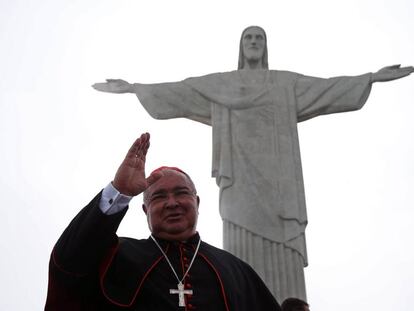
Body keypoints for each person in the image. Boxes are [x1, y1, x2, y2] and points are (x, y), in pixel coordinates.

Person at [92, 26, 414, 301]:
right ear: (241, 47)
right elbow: (183, 90)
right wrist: (135, 88)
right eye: (249, 38)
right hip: (239, 182)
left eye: (259, 37)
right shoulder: (222, 85)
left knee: (284, 254)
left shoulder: (284, 83)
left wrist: (371, 78)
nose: (254, 42)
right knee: (239, 257)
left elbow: (326, 88)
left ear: (266, 46)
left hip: (280, 181)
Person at [45, 132, 282, 310]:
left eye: (181, 193)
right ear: (145, 209)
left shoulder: (236, 270)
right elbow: (68, 262)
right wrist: (120, 192)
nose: (172, 203)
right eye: (159, 197)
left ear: (197, 202)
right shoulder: (118, 255)